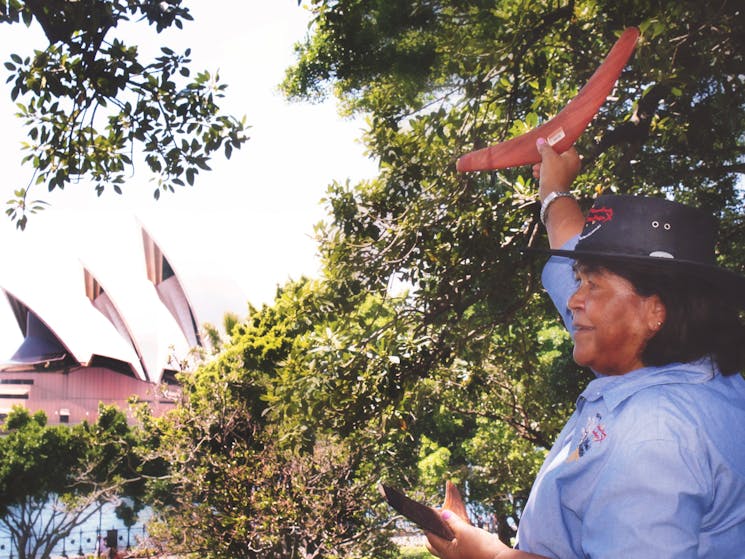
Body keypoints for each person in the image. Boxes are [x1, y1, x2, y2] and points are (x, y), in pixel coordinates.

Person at [425, 138, 745, 558]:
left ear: (656, 311)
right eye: (579, 279)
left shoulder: (655, 433)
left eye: (593, 284)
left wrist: (487, 554)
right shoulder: (694, 371)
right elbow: (569, 242)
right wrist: (556, 192)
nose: (575, 299)